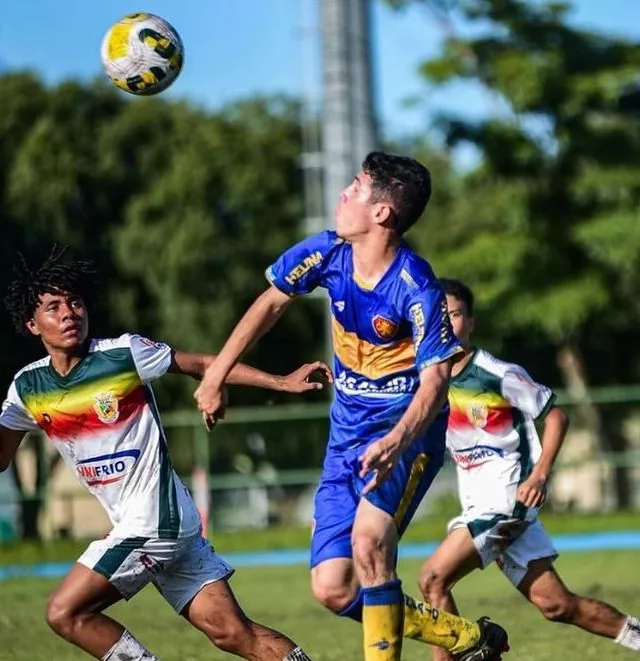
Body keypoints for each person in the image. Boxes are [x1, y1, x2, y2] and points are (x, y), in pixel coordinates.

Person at [194, 152, 509, 661]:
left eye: (356, 187)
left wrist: (396, 440)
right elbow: (271, 301)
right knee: (333, 588)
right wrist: (215, 374)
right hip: (347, 435)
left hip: (406, 435)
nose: (342, 194)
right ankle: (469, 640)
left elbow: (434, 382)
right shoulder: (328, 252)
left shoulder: (417, 286)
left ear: (382, 212)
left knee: (370, 548)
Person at [0, 246, 331, 661]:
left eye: (75, 302)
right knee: (235, 634)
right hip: (167, 524)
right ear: (33, 324)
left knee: (65, 612)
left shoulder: (122, 353)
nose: (69, 312)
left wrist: (281, 382)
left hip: (154, 521)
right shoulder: (26, 388)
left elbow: (203, 363)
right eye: (54, 307)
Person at [419, 278, 640, 661]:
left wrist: (540, 474)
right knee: (557, 605)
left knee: (433, 580)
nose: (446, 323)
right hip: (480, 506)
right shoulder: (429, 380)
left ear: (470, 321)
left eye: (454, 314)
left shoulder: (496, 373)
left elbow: (555, 415)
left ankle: (477, 647)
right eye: (438, 315)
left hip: (506, 502)